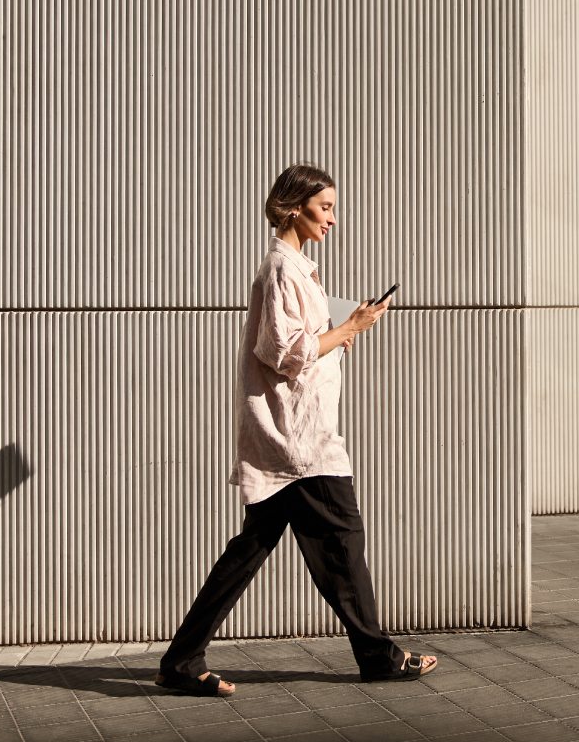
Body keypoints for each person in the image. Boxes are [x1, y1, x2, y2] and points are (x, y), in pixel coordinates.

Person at [155, 163, 438, 697]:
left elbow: (305, 340)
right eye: (325, 206)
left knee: (252, 549)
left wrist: (341, 329)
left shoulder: (299, 270)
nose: (333, 218)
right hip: (299, 443)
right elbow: (283, 353)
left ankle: (180, 662)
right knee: (343, 543)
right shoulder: (283, 269)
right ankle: (377, 657)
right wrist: (351, 327)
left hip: (294, 438)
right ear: (293, 208)